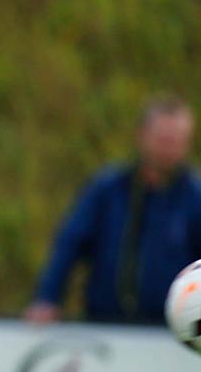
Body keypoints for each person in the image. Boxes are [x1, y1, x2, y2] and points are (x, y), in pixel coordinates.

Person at [25, 95, 201, 325]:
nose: (168, 149)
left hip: (169, 332)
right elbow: (69, 244)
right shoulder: (108, 189)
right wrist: (47, 298)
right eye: (162, 140)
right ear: (142, 136)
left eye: (176, 142)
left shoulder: (194, 198)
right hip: (105, 325)